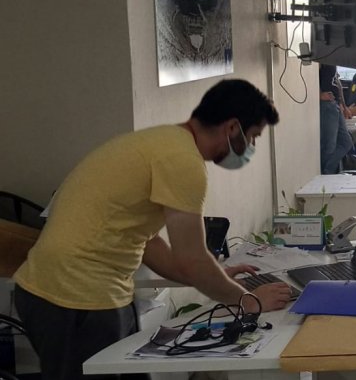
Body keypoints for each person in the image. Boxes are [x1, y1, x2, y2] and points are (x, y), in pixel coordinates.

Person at [13, 79, 292, 378]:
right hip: (75, 295)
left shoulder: (162, 142)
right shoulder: (182, 161)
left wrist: (216, 277)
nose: (251, 148)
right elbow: (192, 260)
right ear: (233, 128)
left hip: (72, 290)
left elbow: (146, 241)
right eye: (253, 137)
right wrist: (250, 302)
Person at [320, 64, 356, 174]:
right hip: (327, 104)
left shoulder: (332, 60)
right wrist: (318, 95)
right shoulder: (321, 58)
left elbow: (337, 82)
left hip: (335, 103)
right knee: (329, 146)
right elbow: (312, 78)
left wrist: (343, 105)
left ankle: (328, 171)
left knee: (346, 142)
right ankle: (325, 174)